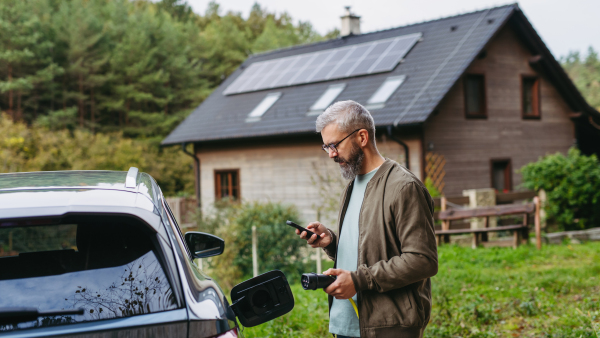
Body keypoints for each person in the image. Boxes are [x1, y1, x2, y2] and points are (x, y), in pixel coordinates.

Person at [296, 100, 438, 338]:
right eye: (326, 147)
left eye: (335, 145)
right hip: (346, 324)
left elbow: (422, 260)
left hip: (388, 326)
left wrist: (359, 280)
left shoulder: (403, 186)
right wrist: (331, 241)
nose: (331, 154)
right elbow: (368, 247)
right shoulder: (352, 186)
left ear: (362, 137)